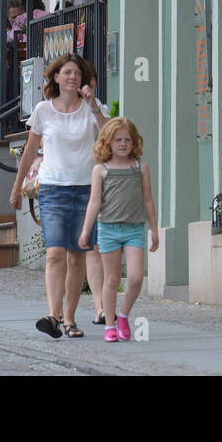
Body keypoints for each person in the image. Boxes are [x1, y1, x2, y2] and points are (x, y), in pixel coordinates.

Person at [11, 53, 109, 339]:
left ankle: (69, 318)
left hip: (85, 191)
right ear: (55, 77)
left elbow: (109, 135)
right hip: (53, 189)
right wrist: (16, 188)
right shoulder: (43, 110)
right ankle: (53, 315)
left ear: (83, 78)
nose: (72, 77)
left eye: (77, 73)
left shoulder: (92, 108)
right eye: (66, 73)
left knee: (77, 256)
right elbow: (30, 152)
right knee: (55, 254)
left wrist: (93, 107)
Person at [78, 117, 157, 342]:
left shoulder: (140, 168)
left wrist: (154, 229)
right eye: (118, 140)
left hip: (134, 229)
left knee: (135, 277)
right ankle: (110, 325)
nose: (123, 144)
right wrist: (86, 231)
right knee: (112, 280)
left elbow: (148, 200)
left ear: (134, 143)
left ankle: (123, 315)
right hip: (108, 230)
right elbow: (94, 202)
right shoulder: (100, 170)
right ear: (108, 143)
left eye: (127, 140)